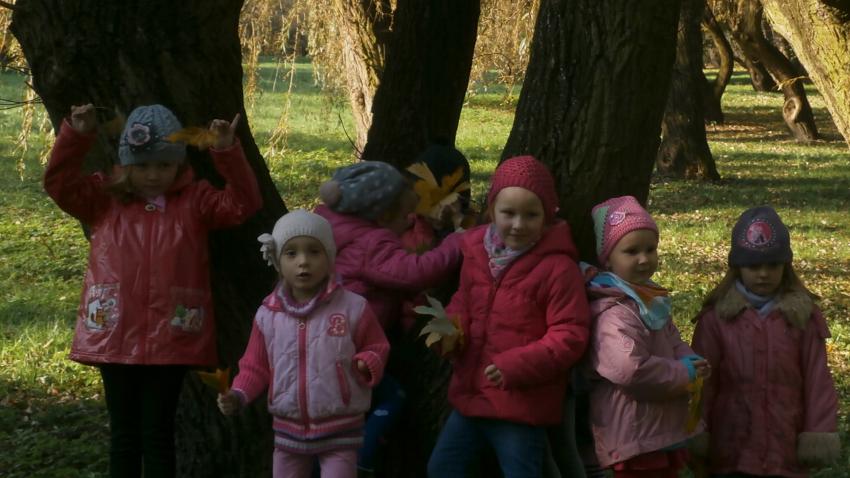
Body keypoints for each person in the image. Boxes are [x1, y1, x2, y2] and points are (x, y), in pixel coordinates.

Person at [44, 103, 262, 477]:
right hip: (114, 332)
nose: (153, 175)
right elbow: (59, 184)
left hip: (170, 337)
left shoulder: (195, 200)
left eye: (164, 165)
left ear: (178, 164)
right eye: (143, 165)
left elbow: (244, 203)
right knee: (124, 435)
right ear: (127, 163)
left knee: (158, 433)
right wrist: (76, 135)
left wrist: (226, 150)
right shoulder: (104, 197)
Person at [427, 155, 591, 478]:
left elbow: (570, 335)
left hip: (521, 405)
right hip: (471, 397)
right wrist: (449, 329)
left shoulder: (558, 268)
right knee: (442, 468)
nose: (518, 224)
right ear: (492, 211)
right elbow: (464, 300)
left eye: (531, 215)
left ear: (547, 215)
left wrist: (515, 366)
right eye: (508, 213)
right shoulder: (477, 253)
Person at [315, 160, 464, 475]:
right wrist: (458, 241)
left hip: (322, 346)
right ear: (380, 216)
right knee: (391, 398)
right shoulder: (371, 243)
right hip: (348, 351)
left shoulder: (330, 228)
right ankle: (360, 461)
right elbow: (415, 272)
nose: (411, 220)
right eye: (404, 215)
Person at [217, 210, 389, 478]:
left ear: (329, 257)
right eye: (291, 253)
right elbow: (254, 366)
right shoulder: (268, 315)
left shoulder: (353, 307)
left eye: (314, 252)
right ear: (277, 260)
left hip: (341, 428)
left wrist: (368, 362)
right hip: (288, 431)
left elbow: (377, 346)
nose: (303, 261)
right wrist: (239, 395)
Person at [691, 206, 840, 477]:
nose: (763, 274)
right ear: (738, 267)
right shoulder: (716, 319)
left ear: (785, 266)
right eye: (753, 266)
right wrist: (698, 431)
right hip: (731, 449)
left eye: (772, 265)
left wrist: (817, 431)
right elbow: (702, 382)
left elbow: (817, 379)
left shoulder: (803, 317)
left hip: (784, 448)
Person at [583, 195, 709, 478]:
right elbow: (629, 370)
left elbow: (672, 338)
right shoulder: (614, 311)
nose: (644, 259)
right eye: (631, 251)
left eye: (650, 249)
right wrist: (683, 373)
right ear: (608, 259)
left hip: (656, 426)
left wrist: (691, 360)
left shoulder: (649, 298)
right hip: (633, 430)